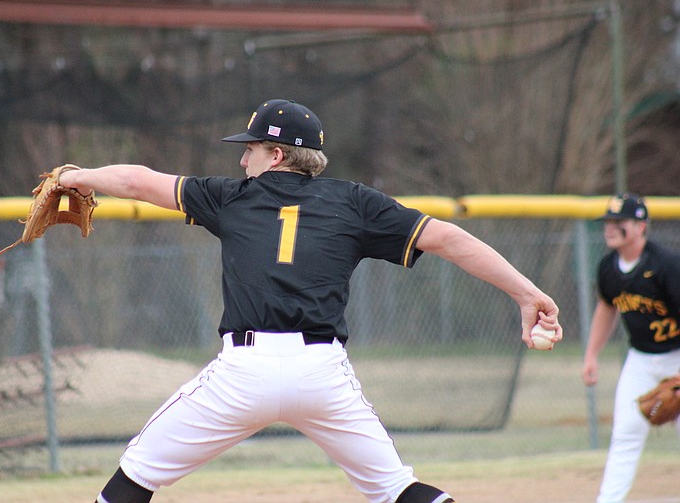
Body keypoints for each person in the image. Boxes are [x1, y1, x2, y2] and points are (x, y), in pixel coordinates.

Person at [59, 99, 562, 503]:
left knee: (134, 477)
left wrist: (73, 178)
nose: (242, 159)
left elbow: (137, 181)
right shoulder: (356, 203)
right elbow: (450, 238)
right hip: (321, 372)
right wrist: (527, 293)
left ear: (275, 155)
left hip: (243, 374)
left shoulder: (230, 197)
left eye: (250, 149)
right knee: (396, 489)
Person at [581, 193, 680, 503]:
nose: (609, 228)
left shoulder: (667, 265)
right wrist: (591, 355)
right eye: (607, 222)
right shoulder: (608, 267)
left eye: (618, 222)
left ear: (640, 226)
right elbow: (606, 309)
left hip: (677, 356)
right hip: (640, 359)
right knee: (625, 433)